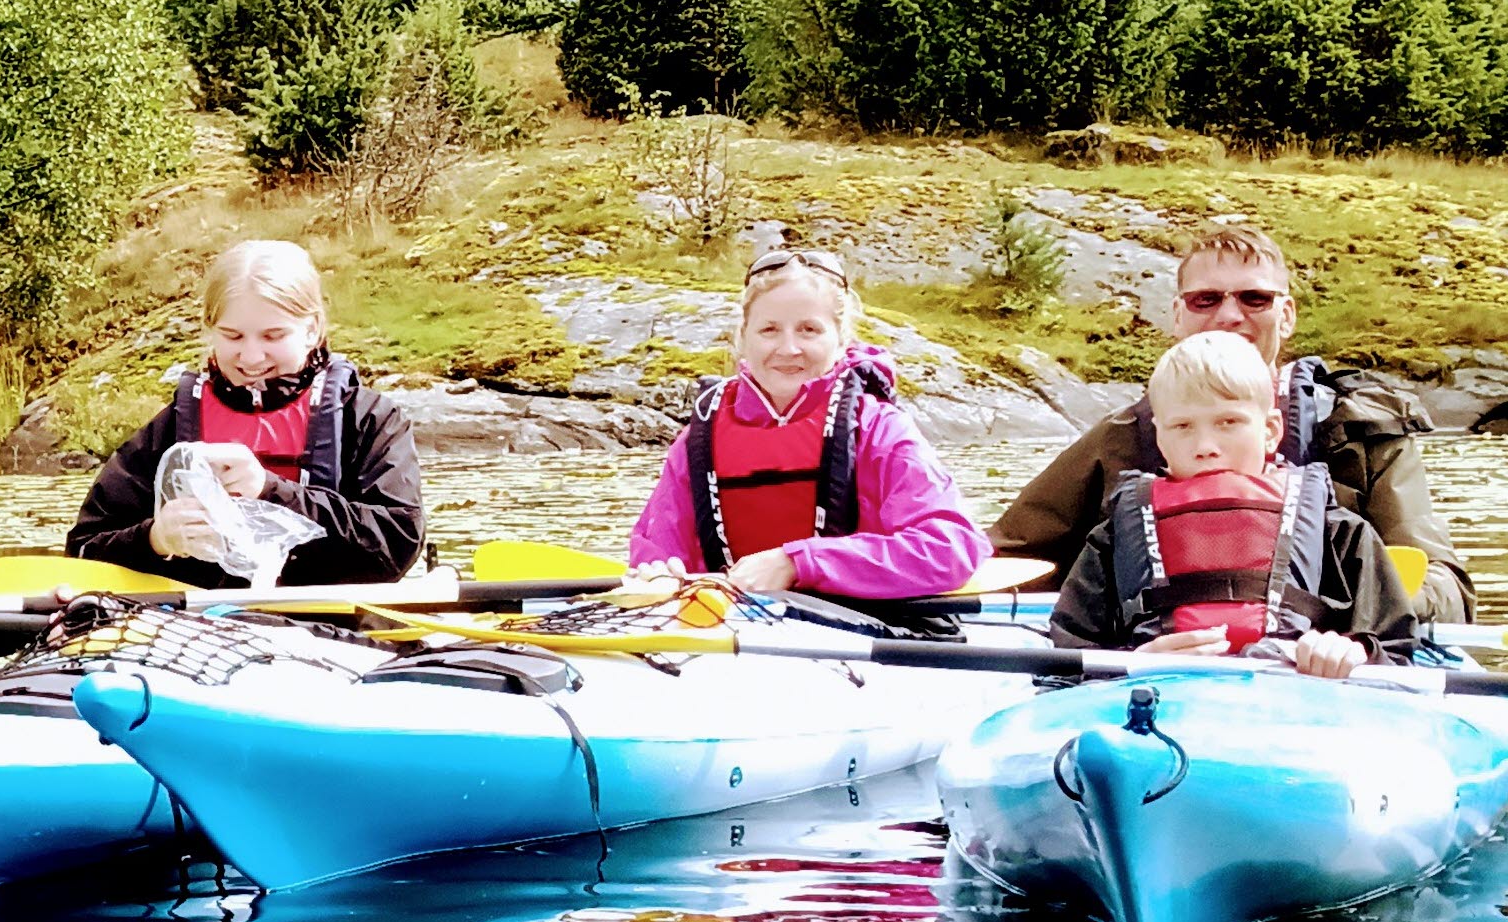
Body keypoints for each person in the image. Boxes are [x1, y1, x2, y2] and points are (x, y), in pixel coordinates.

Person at [994, 220, 1470, 624]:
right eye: (1205, 300)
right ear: (1178, 316)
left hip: (1324, 667)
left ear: (1286, 316)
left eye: (1255, 298)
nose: (1229, 315)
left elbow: (1446, 588)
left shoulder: (1362, 434)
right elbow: (1010, 559)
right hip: (1164, 656)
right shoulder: (1122, 437)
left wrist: (1359, 615)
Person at [623, 246, 989, 615]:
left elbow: (951, 548)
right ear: (744, 338)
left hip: (866, 631)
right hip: (731, 634)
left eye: (809, 330)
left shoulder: (879, 428)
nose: (789, 348)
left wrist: (798, 563)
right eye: (769, 330)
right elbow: (655, 552)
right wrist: (656, 575)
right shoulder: (696, 442)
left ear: (841, 340)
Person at [1046, 331, 1416, 677]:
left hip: (1294, 702)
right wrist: (1134, 662)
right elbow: (1071, 652)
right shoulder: (1113, 538)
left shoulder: (1338, 531)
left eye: (1228, 422)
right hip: (1165, 698)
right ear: (1159, 438)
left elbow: (1394, 648)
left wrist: (1352, 653)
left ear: (1270, 431)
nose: (1205, 445)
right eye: (1183, 427)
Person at [65, 239, 424, 588]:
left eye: (273, 336)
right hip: (203, 631)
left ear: (311, 329)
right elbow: (83, 549)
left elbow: (398, 547)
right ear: (211, 332)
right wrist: (155, 539)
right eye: (233, 337)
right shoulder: (173, 427)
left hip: (329, 627)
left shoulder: (369, 419)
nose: (251, 357)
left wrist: (270, 491)